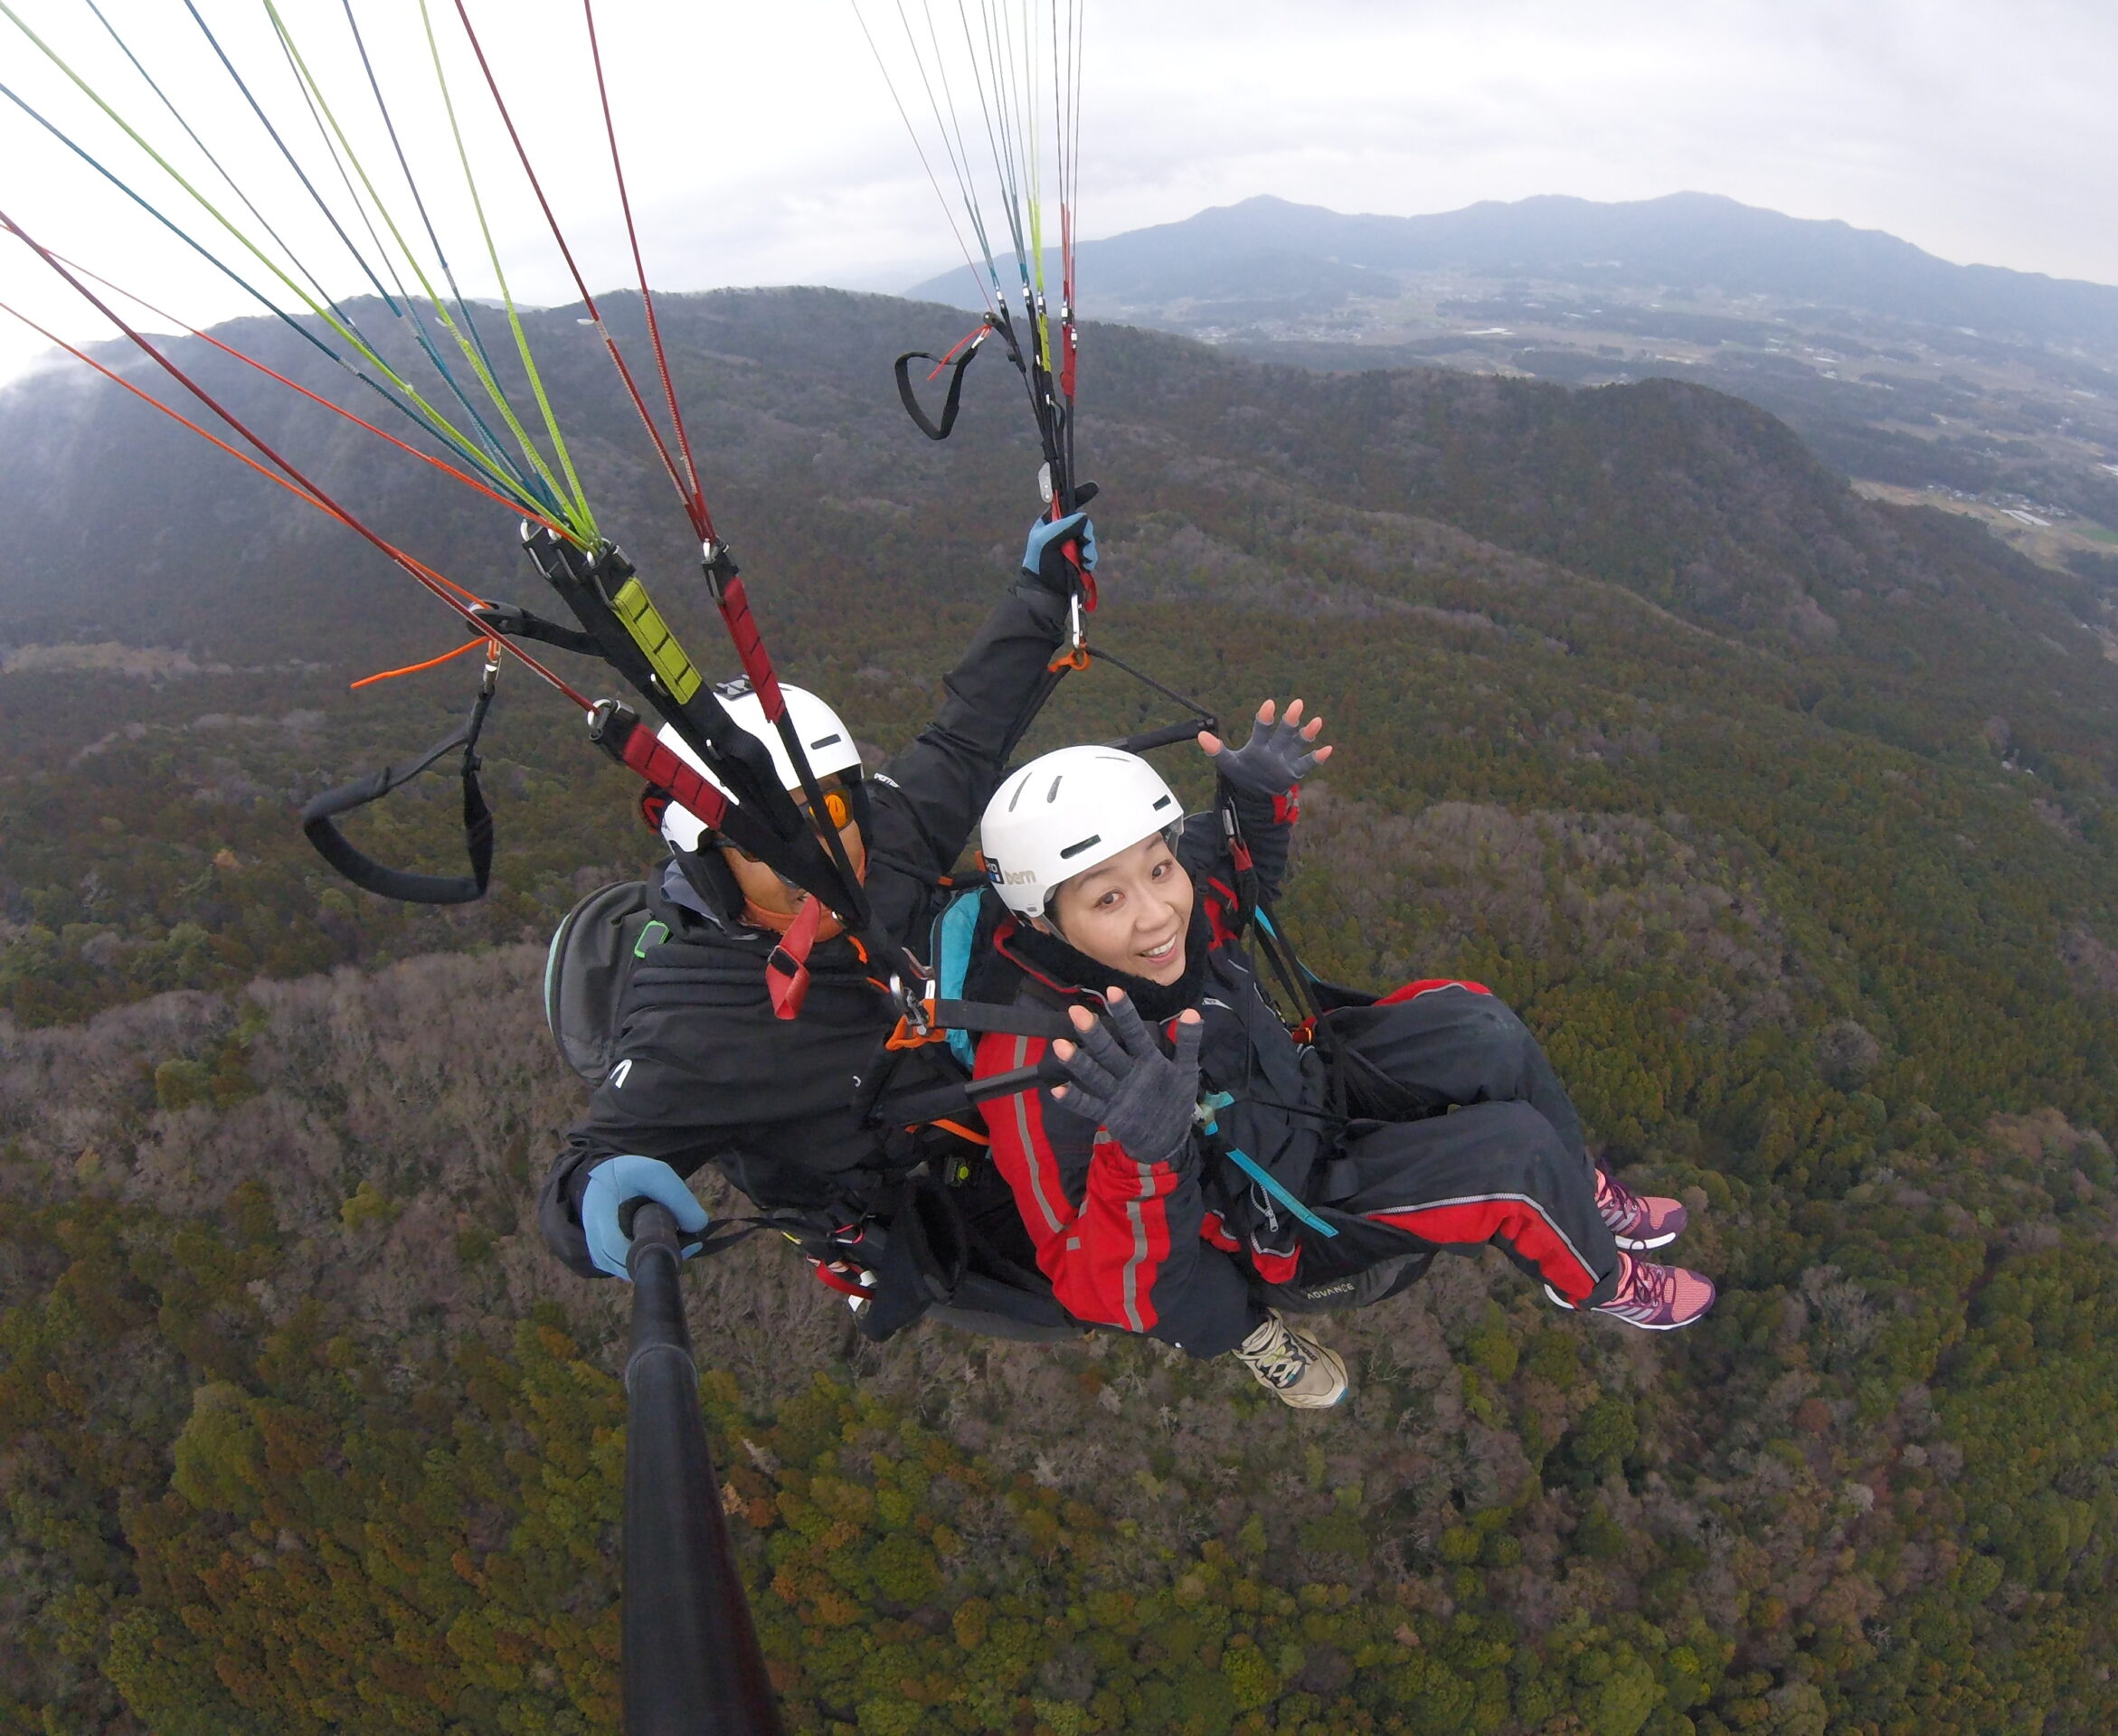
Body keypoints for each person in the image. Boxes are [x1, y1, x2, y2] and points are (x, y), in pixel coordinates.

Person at [969, 703, 1715, 1408]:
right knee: (1512, 1157)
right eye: (1107, 900)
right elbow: (1098, 1285)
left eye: (1158, 870)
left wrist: (1253, 802)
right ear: (1044, 920)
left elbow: (1237, 876)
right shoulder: (1042, 1063)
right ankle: (1599, 1278)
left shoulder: (1176, 917)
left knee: (1479, 1024)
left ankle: (1580, 1191)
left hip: (1304, 1089)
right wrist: (1145, 1155)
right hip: (1287, 1212)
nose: (1157, 913)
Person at [535, 512, 1095, 1286]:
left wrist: (1040, 595)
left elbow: (966, 737)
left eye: (828, 812)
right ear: (710, 867)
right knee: (1071, 1291)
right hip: (922, 1208)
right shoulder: (702, 1023)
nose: (816, 857)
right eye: (764, 843)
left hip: (984, 1082)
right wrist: (589, 1203)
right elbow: (589, 1163)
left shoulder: (881, 842)